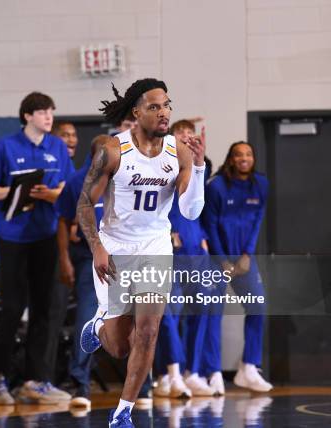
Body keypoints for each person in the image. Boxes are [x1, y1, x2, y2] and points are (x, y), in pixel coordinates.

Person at [77, 79, 206, 427]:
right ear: (136, 112)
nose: (163, 112)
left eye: (167, 105)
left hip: (155, 248)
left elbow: (191, 211)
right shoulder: (113, 149)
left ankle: (123, 413)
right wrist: (98, 247)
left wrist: (198, 167)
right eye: (154, 106)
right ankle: (100, 322)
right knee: (119, 346)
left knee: (148, 331)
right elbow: (84, 204)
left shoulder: (177, 151)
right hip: (115, 247)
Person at [0, 92, 74, 405]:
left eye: (51, 111)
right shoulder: (5, 146)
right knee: (11, 308)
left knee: (44, 309)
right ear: (27, 116)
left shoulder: (57, 147)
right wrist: (16, 190)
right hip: (13, 237)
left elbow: (68, 188)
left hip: (46, 236)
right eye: (42, 112)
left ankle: (36, 380)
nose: (49, 116)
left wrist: (52, 193)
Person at [153, 119, 216, 398]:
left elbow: (197, 206)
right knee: (169, 313)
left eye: (191, 135)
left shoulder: (198, 169)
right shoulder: (160, 165)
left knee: (200, 310)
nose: (187, 138)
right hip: (170, 252)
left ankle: (193, 372)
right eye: (181, 134)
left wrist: (201, 238)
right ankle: (168, 373)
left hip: (195, 251)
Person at [202, 141, 272, 393]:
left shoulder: (261, 184)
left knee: (258, 306)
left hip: (243, 260)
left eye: (249, 154)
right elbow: (209, 226)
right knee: (213, 313)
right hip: (216, 260)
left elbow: (257, 221)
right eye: (239, 154)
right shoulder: (217, 187)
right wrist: (222, 261)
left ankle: (249, 368)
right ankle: (213, 372)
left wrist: (246, 255)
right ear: (231, 159)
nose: (244, 158)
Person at [57, 135, 108, 409]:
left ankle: (143, 387)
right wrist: (64, 259)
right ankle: (81, 383)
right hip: (89, 260)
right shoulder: (77, 181)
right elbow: (64, 222)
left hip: (125, 260)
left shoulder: (126, 180)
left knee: (137, 319)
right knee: (87, 319)